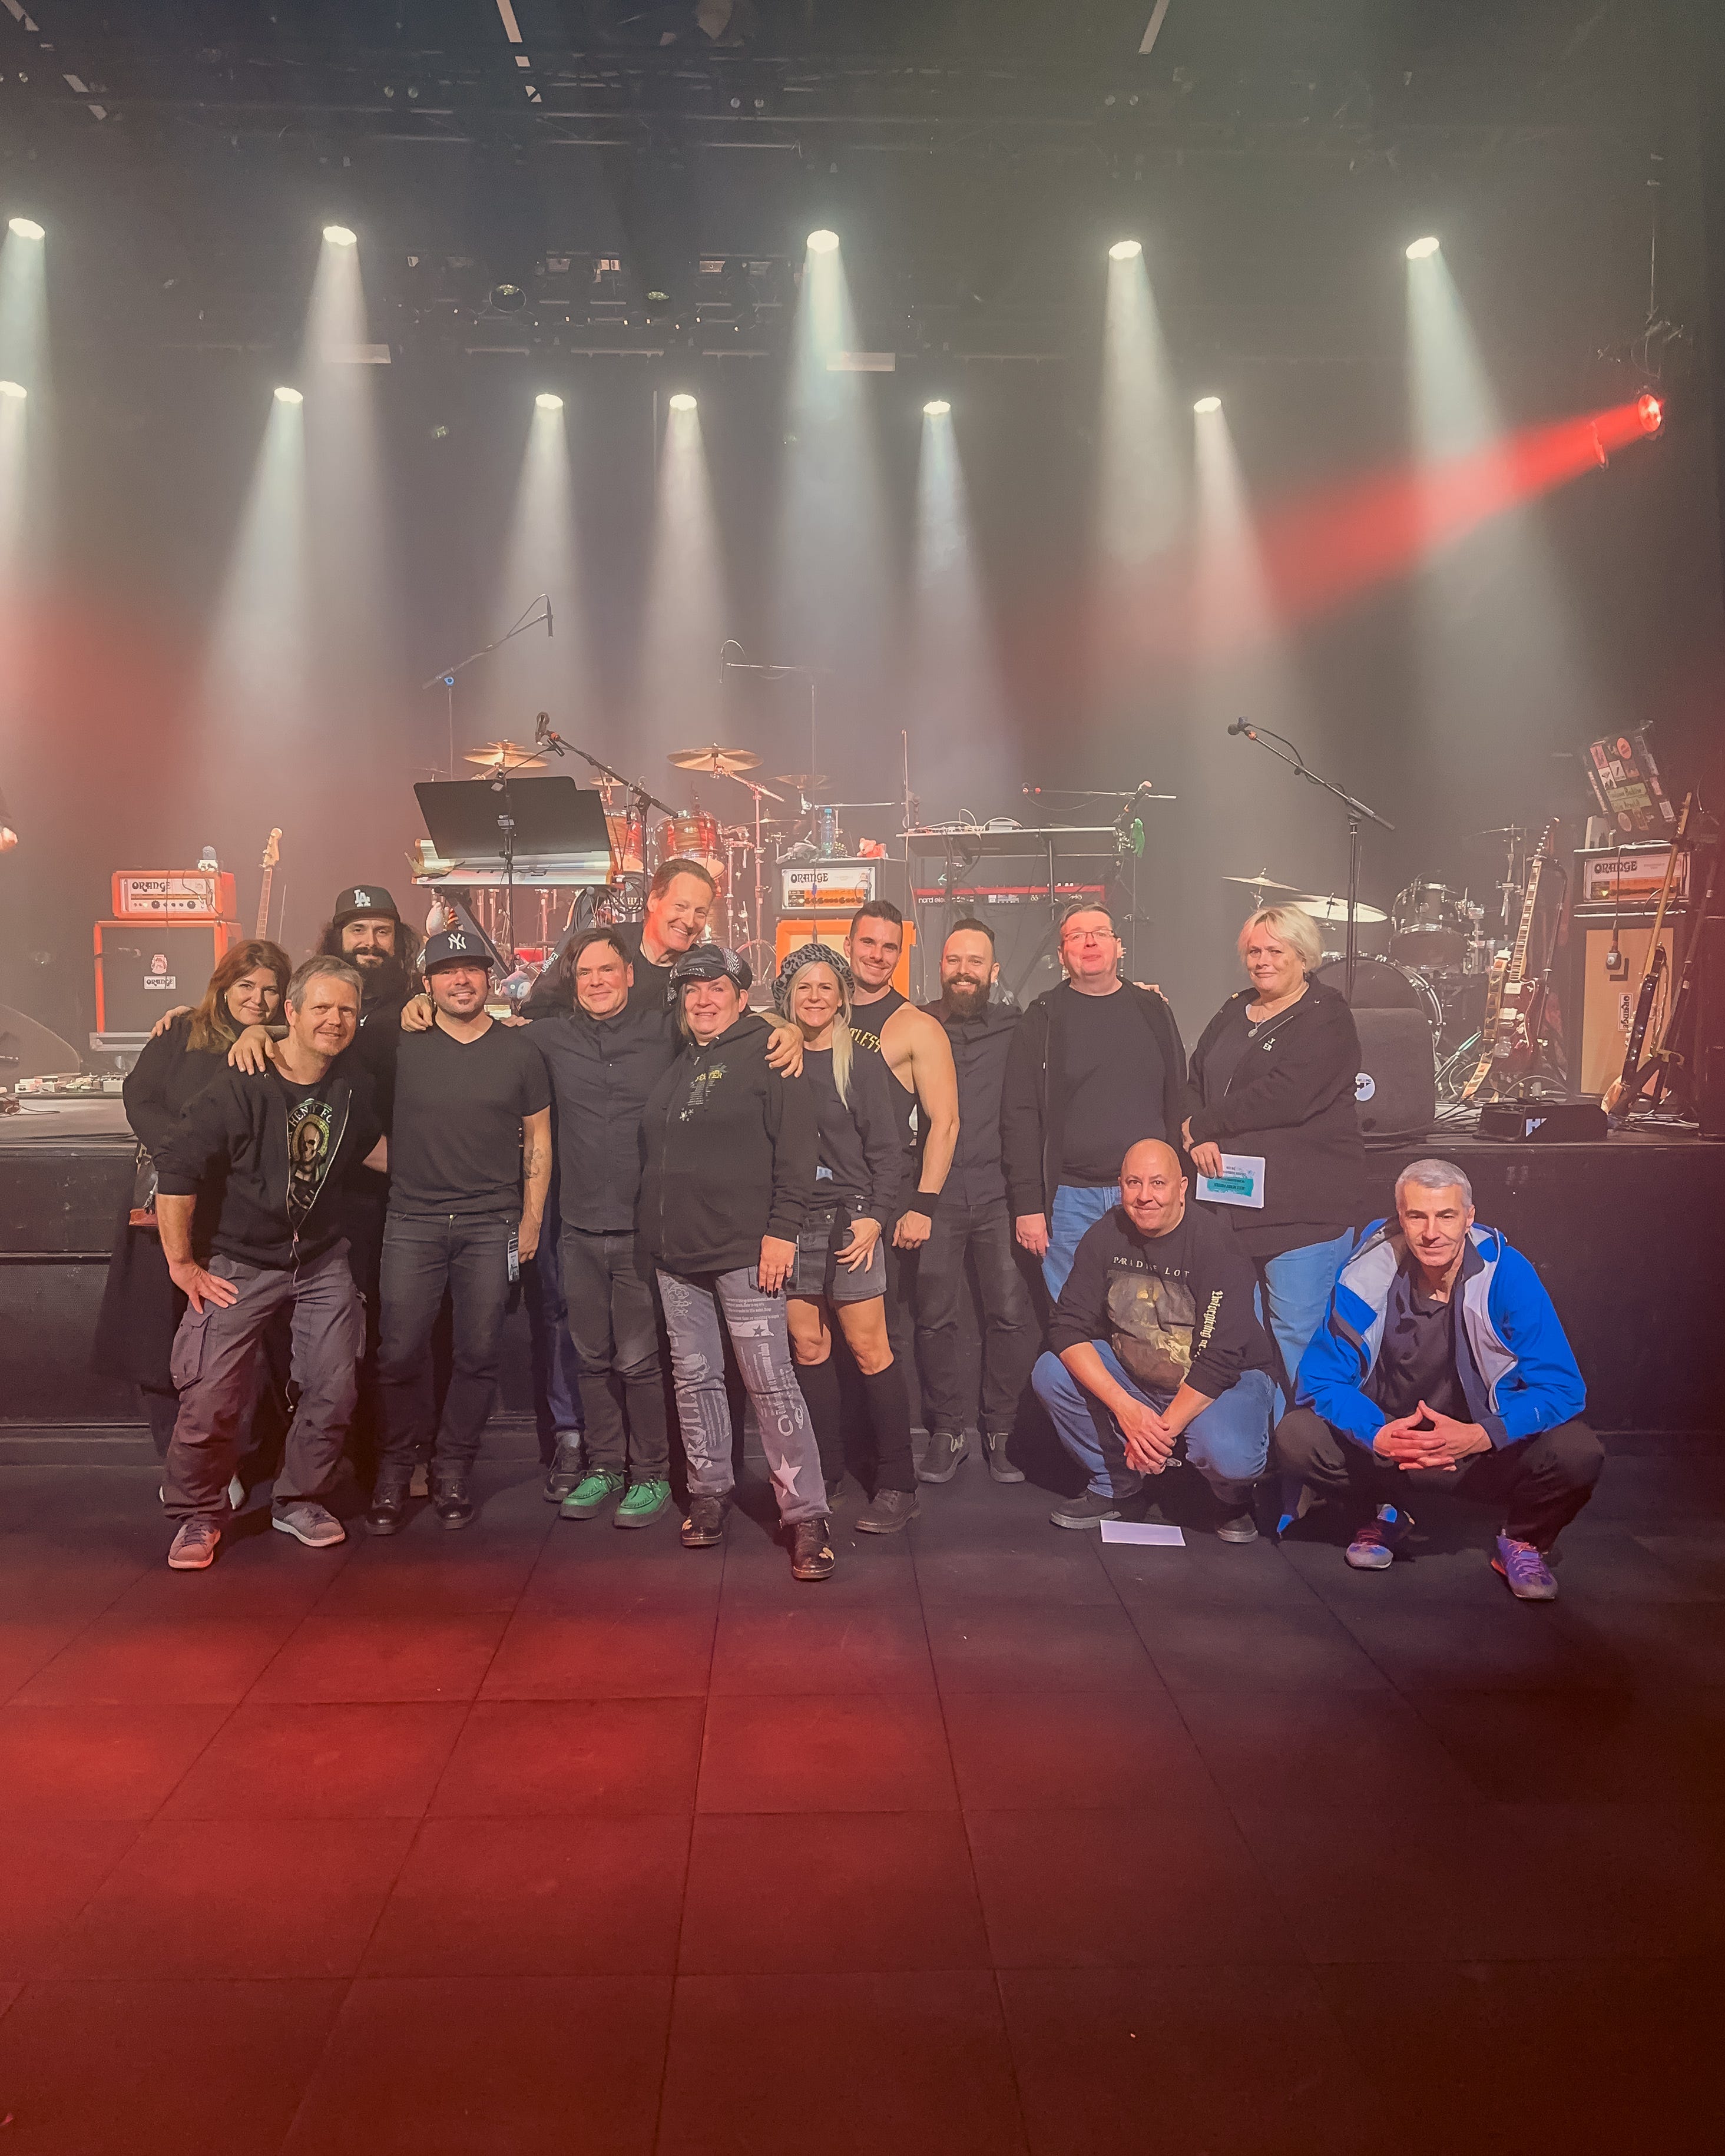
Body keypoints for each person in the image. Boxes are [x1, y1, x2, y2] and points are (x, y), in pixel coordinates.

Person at [151, 957, 387, 1570]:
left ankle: (300, 1499)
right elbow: (177, 1167)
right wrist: (181, 1263)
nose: (334, 1020)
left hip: (321, 1259)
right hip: (241, 1262)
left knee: (333, 1386)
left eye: (346, 1010)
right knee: (210, 1395)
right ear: (292, 1012)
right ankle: (197, 1513)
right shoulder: (242, 1080)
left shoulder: (351, 1083)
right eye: (321, 1007)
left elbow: (370, 1148)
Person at [1277, 1159, 1602, 1599]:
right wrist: (1378, 1434)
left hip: (1479, 1451)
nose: (1432, 1232)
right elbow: (1319, 1380)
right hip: (1393, 1449)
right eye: (1417, 1216)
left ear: (1469, 1217)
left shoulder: (1507, 1273)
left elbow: (1563, 1388)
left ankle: (1523, 1540)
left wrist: (1483, 1435)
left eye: (1446, 1216)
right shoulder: (1367, 1274)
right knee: (1297, 1435)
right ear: (1400, 1216)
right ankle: (1382, 1514)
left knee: (1578, 1450)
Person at [639, 944, 833, 1581]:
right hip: (676, 1255)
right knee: (695, 1380)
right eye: (692, 989)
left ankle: (806, 1515)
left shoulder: (769, 1052)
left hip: (747, 1250)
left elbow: (798, 1151)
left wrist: (782, 1232)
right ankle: (708, 1493)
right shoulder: (679, 1060)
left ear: (741, 996)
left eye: (716, 987)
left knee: (769, 1381)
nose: (703, 999)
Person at [366, 930, 552, 1535]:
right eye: (447, 971)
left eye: (472, 968)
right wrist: (411, 1166)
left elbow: (539, 1139)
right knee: (398, 1352)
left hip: (491, 1223)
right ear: (428, 984)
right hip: (412, 1221)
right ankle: (397, 1467)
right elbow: (350, 1116)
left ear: (488, 979)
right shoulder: (401, 1044)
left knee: (477, 1353)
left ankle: (452, 1468)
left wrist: (530, 1218)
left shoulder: (519, 1051)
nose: (461, 979)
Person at [92, 939, 291, 1459]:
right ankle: (177, 1462)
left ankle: (231, 1460)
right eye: (246, 985)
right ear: (223, 986)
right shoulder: (180, 1031)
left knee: (235, 1344)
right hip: (169, 1205)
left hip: (236, 1212)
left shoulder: (280, 1045)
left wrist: (266, 1033)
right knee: (159, 1338)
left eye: (271, 990)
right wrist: (182, 1155)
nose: (258, 999)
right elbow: (139, 1096)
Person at [1032, 1138, 1279, 1539]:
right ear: (1120, 1186)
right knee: (1052, 1371)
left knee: (1229, 1453)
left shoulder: (1216, 1244)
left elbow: (1220, 1359)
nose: (1144, 1196)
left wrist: (1155, 1437)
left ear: (1182, 1188)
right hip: (1140, 1379)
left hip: (1224, 1382)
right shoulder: (1106, 1234)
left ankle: (1231, 1496)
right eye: (1134, 1183)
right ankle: (1116, 1484)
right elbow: (1067, 1326)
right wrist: (1126, 1409)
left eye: (1158, 1183)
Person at [1181, 905, 1363, 1406]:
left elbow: (1285, 1095)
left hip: (1300, 1217)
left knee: (1298, 1343)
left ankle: (1310, 1450)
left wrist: (1204, 1124)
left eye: (1275, 951)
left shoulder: (1327, 1016)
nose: (1262, 961)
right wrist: (1195, 1135)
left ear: (1303, 956)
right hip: (1230, 1210)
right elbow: (1194, 1078)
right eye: (1253, 951)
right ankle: (1261, 1447)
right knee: (1246, 1345)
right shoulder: (1233, 1010)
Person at [776, 944, 919, 1532]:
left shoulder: (859, 1059)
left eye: (825, 987)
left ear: (841, 998)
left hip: (849, 1220)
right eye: (804, 987)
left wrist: (876, 1217)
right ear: (788, 996)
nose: (815, 997)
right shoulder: (773, 1057)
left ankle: (898, 1483)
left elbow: (888, 1149)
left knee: (869, 1350)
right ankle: (827, 1472)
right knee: (809, 1349)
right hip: (790, 1222)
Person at [1003, 900, 1187, 1297]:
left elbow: (1177, 1094)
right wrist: (1028, 1204)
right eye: (1076, 936)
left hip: (1146, 1197)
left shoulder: (1152, 1010)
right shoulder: (1042, 1018)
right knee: (1076, 1315)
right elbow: (1020, 1116)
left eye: (1100, 933)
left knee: (1147, 1316)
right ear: (1061, 955)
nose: (1089, 943)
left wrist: (1175, 1185)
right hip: (1069, 1200)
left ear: (1118, 947)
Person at [917, 919, 1037, 1484]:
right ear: (940, 966)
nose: (963, 971)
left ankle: (1001, 1429)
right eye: (953, 960)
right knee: (934, 1317)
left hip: (998, 1191)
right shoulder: (916, 1023)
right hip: (933, 1193)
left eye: (974, 961)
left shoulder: (1020, 1026)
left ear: (993, 971)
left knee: (1009, 1316)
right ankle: (947, 1430)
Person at [844, 899, 960, 1465]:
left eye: (889, 946)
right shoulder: (816, 1011)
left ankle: (915, 1443)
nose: (877, 955)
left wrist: (923, 1204)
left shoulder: (916, 1026)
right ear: (849, 945)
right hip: (825, 1197)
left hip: (885, 1198)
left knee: (890, 1328)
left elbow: (946, 1122)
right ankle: (847, 1444)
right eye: (868, 942)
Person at [524, 855, 717, 1018]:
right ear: (653, 901)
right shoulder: (604, 946)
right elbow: (539, 1008)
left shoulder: (701, 970)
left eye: (700, 912)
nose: (690, 922)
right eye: (681, 907)